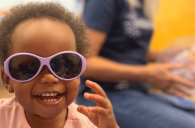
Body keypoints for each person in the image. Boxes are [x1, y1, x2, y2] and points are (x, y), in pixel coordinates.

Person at [0, 2, 119, 128]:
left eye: (65, 65)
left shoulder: (85, 122)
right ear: (7, 79)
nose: (49, 78)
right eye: (28, 67)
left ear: (78, 73)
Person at [76, 0, 195, 128]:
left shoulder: (142, 3)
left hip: (138, 91)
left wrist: (172, 54)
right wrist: (148, 74)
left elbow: (130, 50)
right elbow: (86, 63)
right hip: (106, 95)